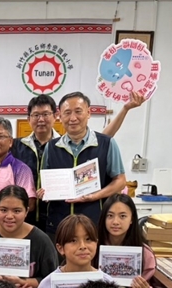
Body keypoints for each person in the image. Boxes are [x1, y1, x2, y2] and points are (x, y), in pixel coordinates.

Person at [0, 93, 144, 232]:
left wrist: (125, 109)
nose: (41, 119)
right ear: (29, 119)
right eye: (36, 115)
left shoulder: (65, 143)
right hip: (27, 217)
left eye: (46, 114)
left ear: (54, 116)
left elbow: (104, 139)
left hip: (62, 215)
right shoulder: (17, 145)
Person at [41, 92, 128, 233]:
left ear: (88, 113)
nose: (73, 118)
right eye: (67, 113)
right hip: (58, 225)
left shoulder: (106, 143)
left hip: (93, 223)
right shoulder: (51, 147)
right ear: (60, 116)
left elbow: (120, 181)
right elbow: (45, 183)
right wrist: (45, 192)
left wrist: (94, 196)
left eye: (78, 111)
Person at [94, 194, 157, 288]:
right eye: (110, 216)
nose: (115, 222)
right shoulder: (92, 246)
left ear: (132, 219)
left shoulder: (144, 253)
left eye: (122, 216)